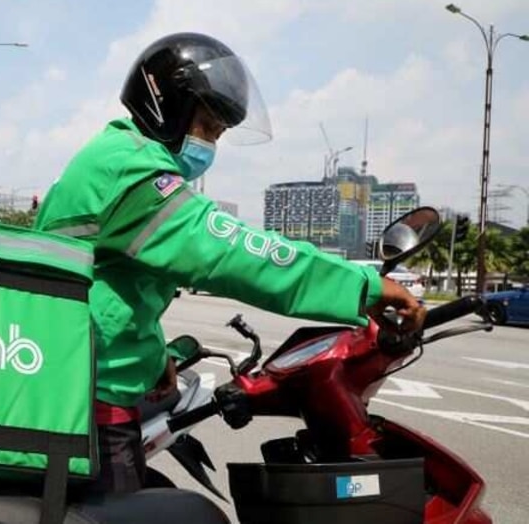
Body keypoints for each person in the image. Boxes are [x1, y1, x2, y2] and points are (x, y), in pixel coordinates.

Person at [34, 32, 425, 494]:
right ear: (168, 107)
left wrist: (154, 353)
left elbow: (111, 284)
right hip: (92, 406)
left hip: (88, 380)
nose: (210, 146)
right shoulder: (132, 172)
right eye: (207, 127)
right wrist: (366, 288)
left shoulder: (118, 158)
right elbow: (230, 252)